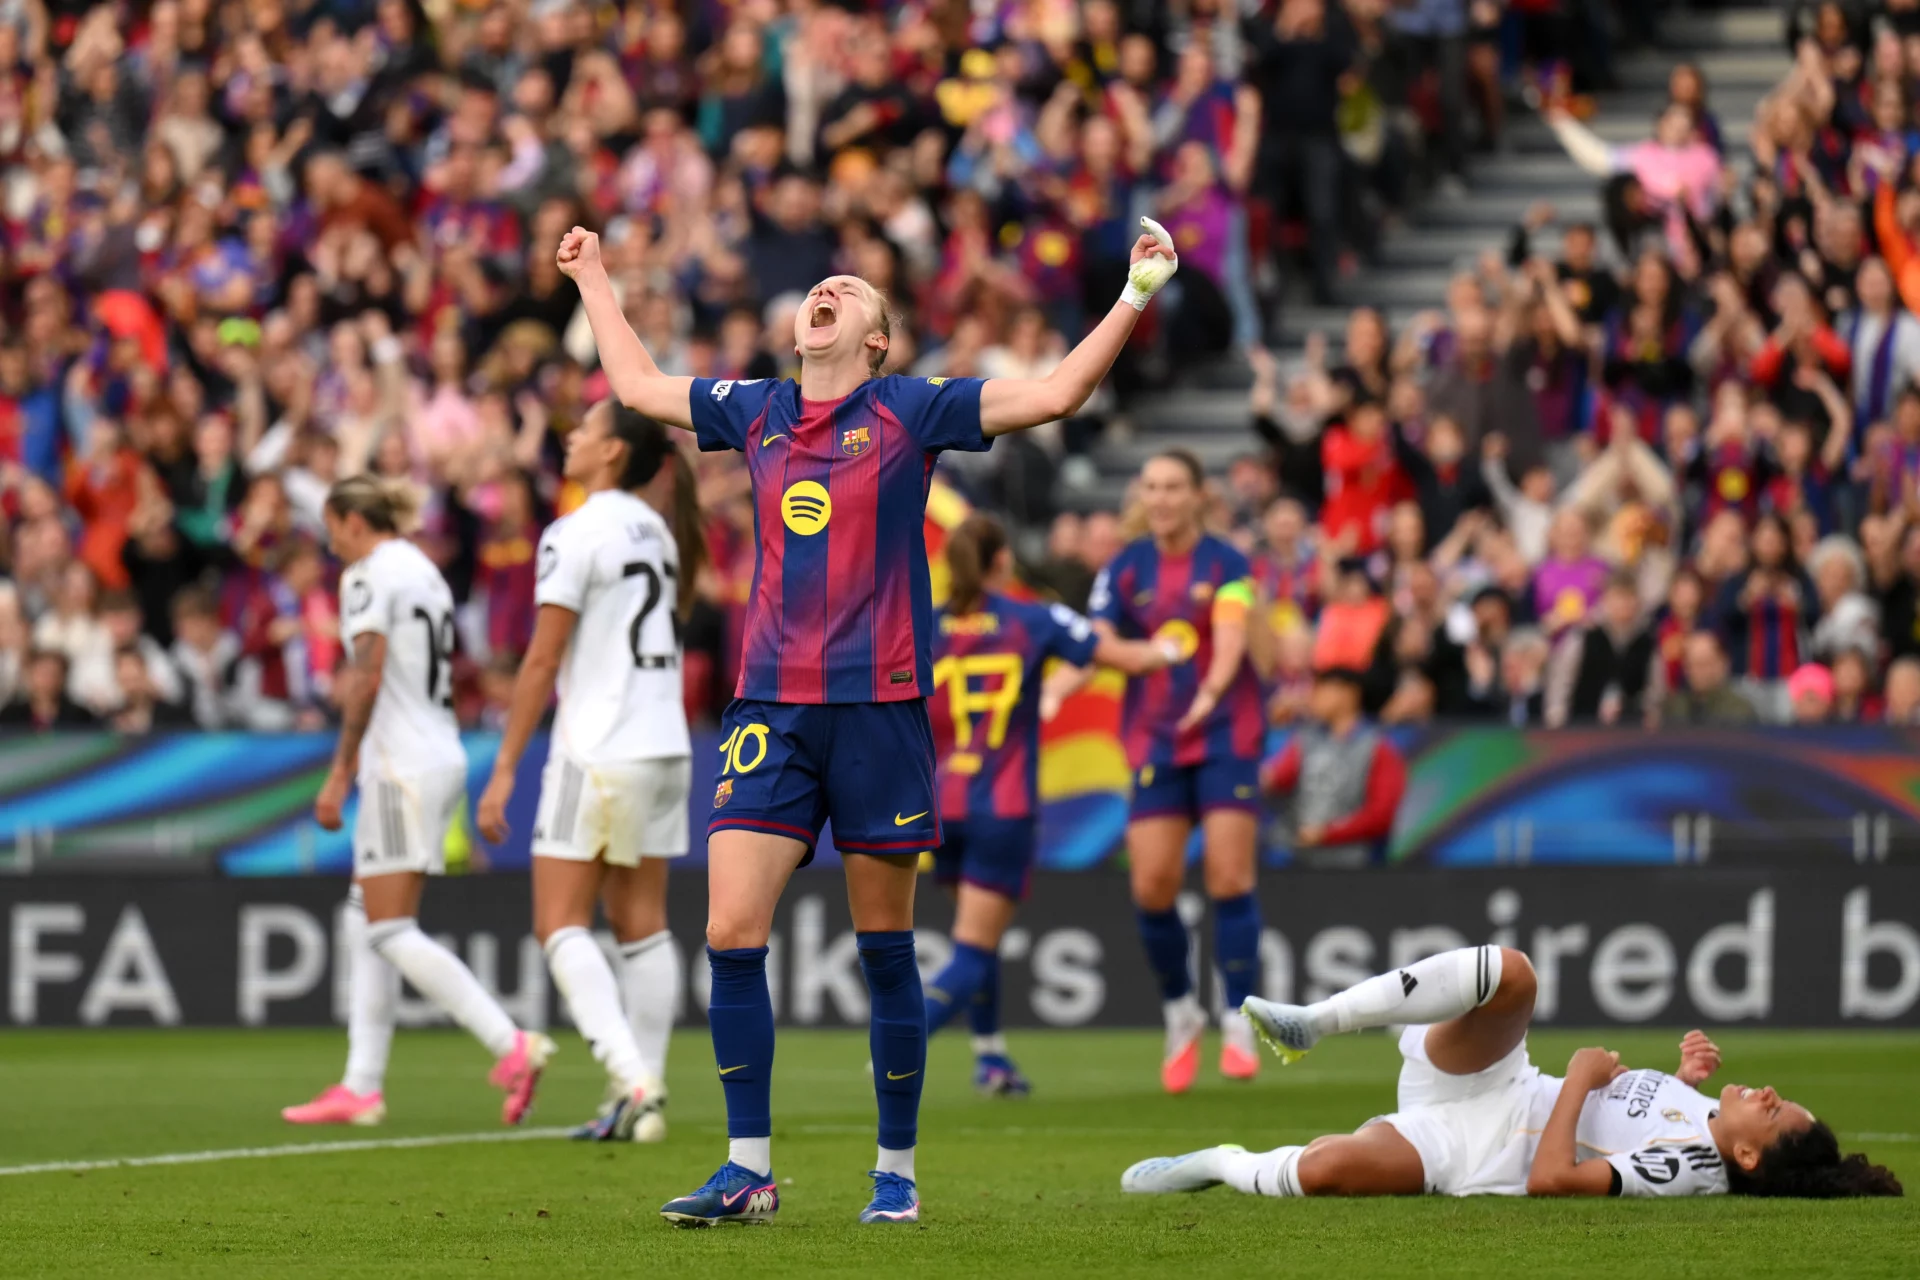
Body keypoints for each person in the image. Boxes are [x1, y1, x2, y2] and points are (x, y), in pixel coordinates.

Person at [558, 217, 1181, 1227]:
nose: (827, 290)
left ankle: (896, 1171)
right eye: (822, 285)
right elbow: (635, 386)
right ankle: (747, 1168)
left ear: (877, 339)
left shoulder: (911, 408)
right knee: (728, 929)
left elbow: (1057, 393)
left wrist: (1136, 293)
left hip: (879, 710)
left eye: (850, 290)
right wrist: (593, 275)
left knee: (884, 946)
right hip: (770, 707)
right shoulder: (756, 408)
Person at [1122, 946, 1902, 1201]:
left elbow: (1555, 1179)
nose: (1770, 1094)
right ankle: (1316, 1020)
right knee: (1514, 973)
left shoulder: (1691, 1168)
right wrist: (1681, 1079)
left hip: (1478, 1146)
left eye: (1774, 1112)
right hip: (1493, 1082)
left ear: (1749, 1157)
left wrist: (1581, 1077)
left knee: (1326, 1169)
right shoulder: (1702, 1124)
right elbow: (1638, 1126)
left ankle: (1216, 1162)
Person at [283, 477, 552, 1129]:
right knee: (363, 919)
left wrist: (339, 771)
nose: (330, 543)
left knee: (388, 928)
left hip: (401, 762)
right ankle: (362, 1086)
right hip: (434, 749)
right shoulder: (423, 569)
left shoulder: (368, 575)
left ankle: (510, 1043)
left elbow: (367, 675)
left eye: (332, 528)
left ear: (353, 522)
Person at [476, 402, 707, 1144]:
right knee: (642, 925)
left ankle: (630, 1076)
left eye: (584, 428)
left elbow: (542, 658)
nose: (570, 436)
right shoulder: (657, 532)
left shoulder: (575, 532)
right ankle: (646, 1095)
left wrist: (505, 767)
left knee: (558, 923)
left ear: (611, 452)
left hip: (600, 748)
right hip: (664, 743)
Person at [924, 513, 1176, 1096]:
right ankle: (902, 1035)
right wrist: (1171, 647)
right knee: (974, 944)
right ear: (1003, 561)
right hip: (1003, 804)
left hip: (941, 804)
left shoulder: (923, 625)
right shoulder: (1031, 618)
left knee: (973, 935)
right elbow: (1123, 658)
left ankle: (991, 1057)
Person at [1090, 449, 1266, 1093]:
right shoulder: (1123, 568)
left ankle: (1238, 1016)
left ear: (1198, 495)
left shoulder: (1227, 563)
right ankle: (1181, 1011)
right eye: (1152, 487)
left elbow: (1232, 636)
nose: (1161, 499)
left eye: (1173, 487)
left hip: (1224, 735)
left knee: (1229, 875)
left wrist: (1211, 692)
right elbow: (1099, 642)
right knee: (1152, 887)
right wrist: (1139, 657)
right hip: (1156, 742)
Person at [1259, 667, 1406, 867]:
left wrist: (1328, 834)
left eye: (1321, 689)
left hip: (1352, 861)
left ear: (1348, 694)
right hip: (1298, 855)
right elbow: (1279, 776)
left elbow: (1381, 814)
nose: (1313, 697)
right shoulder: (1306, 738)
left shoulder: (1378, 747)